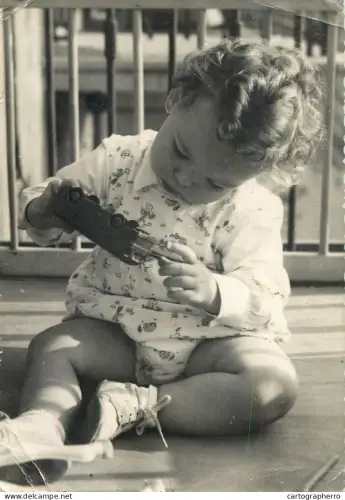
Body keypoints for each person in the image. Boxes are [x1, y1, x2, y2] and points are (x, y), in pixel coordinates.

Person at [0, 39, 323, 485]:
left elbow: (266, 292)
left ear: (252, 175)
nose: (187, 180)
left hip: (208, 344)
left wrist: (214, 291)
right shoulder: (117, 159)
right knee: (54, 347)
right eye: (182, 153)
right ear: (175, 100)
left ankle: (136, 406)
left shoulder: (254, 207)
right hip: (116, 326)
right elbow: (46, 199)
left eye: (214, 182)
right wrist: (44, 209)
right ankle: (42, 426)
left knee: (272, 388)